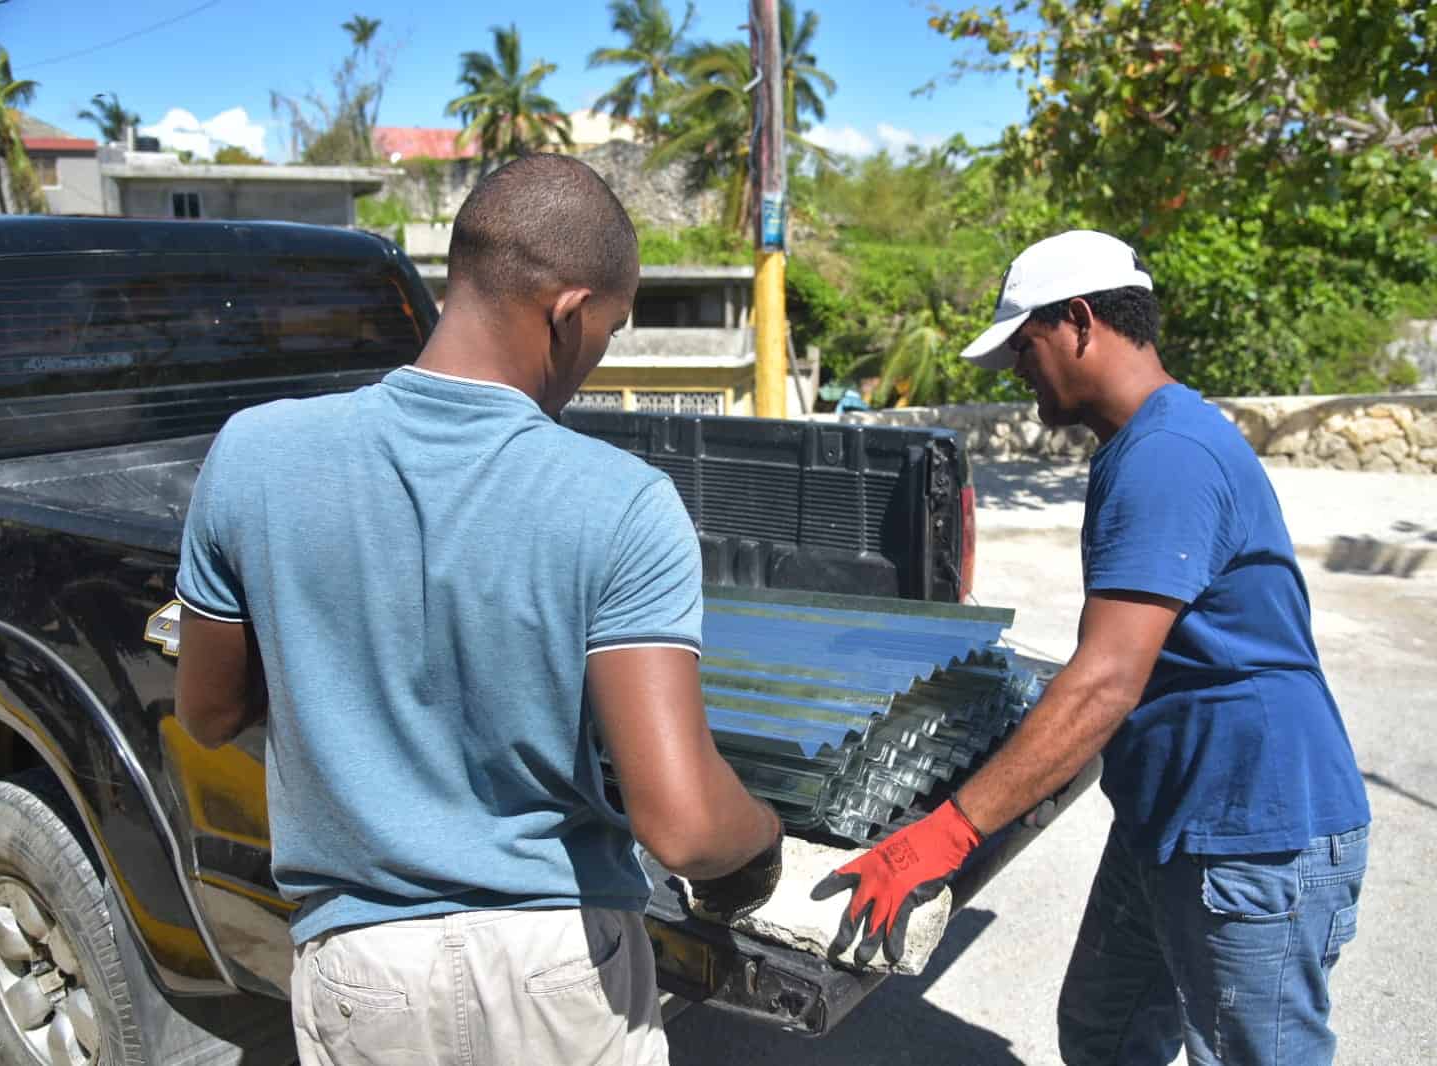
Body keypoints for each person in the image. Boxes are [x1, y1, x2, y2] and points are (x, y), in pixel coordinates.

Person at [173, 154, 783, 1066]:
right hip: (557, 968)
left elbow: (209, 711)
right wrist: (763, 839)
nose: (600, 354)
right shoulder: (621, 500)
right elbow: (686, 827)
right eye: (610, 331)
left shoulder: (253, 456)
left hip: (360, 969)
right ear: (569, 313)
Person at [813, 230, 1371, 1065]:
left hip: (1250, 831)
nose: (1017, 373)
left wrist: (946, 832)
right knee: (1105, 1035)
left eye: (1023, 348)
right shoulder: (1141, 444)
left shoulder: (1167, 457)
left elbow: (1107, 678)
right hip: (1171, 817)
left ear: (1077, 321)